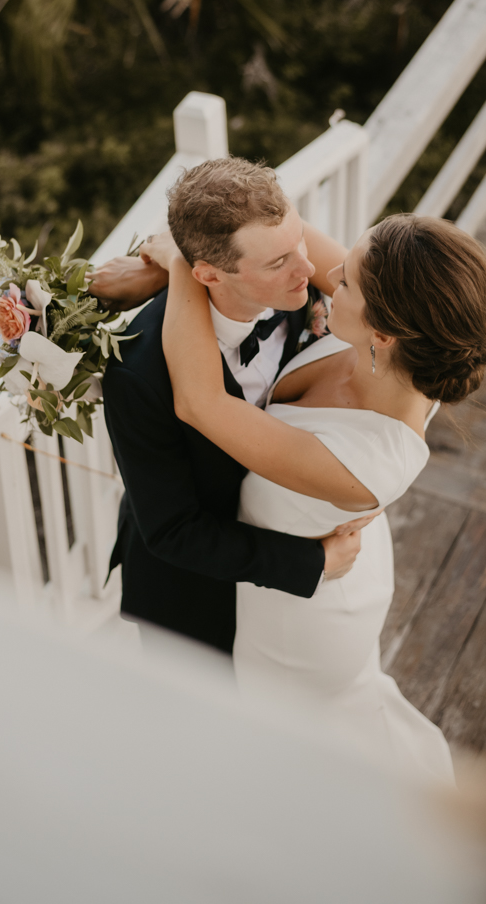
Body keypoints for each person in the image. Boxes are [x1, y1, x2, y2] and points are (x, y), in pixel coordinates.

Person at [138, 210, 486, 783]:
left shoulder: (364, 463)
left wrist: (185, 262)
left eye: (348, 280)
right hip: (343, 552)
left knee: (301, 753)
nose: (328, 273)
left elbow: (200, 403)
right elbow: (286, 223)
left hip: (301, 619)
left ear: (383, 333)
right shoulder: (405, 345)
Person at [92, 159, 368, 656]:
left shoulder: (304, 295)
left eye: (298, 241)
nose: (310, 269)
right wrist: (312, 563)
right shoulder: (138, 373)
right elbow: (173, 530)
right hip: (194, 597)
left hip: (292, 603)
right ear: (207, 274)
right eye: (277, 262)